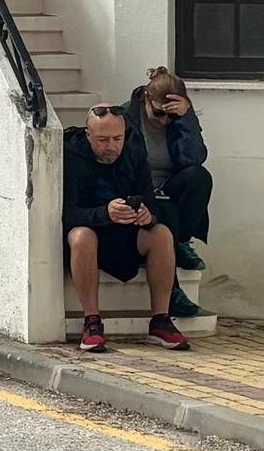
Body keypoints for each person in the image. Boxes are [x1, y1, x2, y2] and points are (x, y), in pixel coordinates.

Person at [63, 101, 189, 353]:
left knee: (161, 233)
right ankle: (92, 321)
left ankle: (161, 320)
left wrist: (146, 215)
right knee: (81, 236)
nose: (111, 146)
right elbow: (65, 214)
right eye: (102, 139)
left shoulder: (133, 148)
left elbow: (151, 202)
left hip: (126, 234)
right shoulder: (70, 153)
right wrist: (104, 213)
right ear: (88, 135)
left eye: (116, 138)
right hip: (88, 233)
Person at [137, 67, 213, 321]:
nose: (163, 121)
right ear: (147, 98)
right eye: (158, 113)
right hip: (139, 192)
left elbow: (194, 160)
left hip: (168, 191)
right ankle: (173, 294)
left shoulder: (178, 121)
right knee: (164, 209)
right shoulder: (128, 117)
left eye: (171, 116)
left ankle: (181, 242)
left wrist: (186, 120)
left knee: (199, 177)